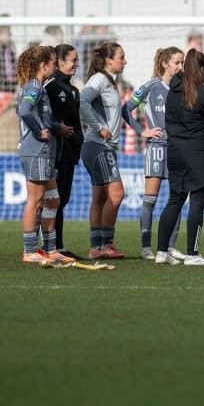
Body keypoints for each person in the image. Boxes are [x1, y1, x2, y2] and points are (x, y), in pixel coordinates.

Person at [155, 49, 204, 266]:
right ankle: (192, 254)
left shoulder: (172, 91)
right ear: (202, 68)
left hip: (175, 153)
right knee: (197, 204)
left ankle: (161, 252)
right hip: (199, 154)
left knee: (174, 201)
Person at [122, 47, 185, 260]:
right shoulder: (151, 86)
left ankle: (169, 246)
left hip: (177, 149)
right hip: (157, 147)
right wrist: (142, 131)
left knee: (176, 198)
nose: (180, 67)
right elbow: (126, 109)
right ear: (165, 63)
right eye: (177, 62)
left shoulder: (183, 88)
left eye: (182, 63)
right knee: (150, 199)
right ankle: (146, 248)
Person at [16, 45, 74, 264]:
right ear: (43, 65)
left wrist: (57, 127)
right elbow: (24, 110)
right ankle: (29, 251)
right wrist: (39, 130)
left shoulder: (36, 86)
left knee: (53, 200)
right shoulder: (34, 85)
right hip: (36, 150)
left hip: (44, 151)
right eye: (52, 63)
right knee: (36, 200)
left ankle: (50, 250)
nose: (54, 66)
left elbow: (40, 115)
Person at [80, 42, 129, 259]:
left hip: (98, 147)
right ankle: (107, 245)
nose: (125, 60)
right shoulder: (100, 78)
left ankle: (95, 247)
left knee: (99, 198)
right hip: (99, 146)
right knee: (117, 194)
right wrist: (99, 127)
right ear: (109, 61)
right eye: (121, 57)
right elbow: (82, 101)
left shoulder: (109, 80)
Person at [45, 44, 83, 259]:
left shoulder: (74, 90)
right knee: (52, 199)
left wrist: (78, 139)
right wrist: (56, 128)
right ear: (60, 62)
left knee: (63, 199)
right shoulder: (49, 86)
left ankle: (57, 246)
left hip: (70, 152)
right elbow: (39, 114)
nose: (76, 64)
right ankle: (48, 246)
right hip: (56, 152)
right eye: (73, 60)